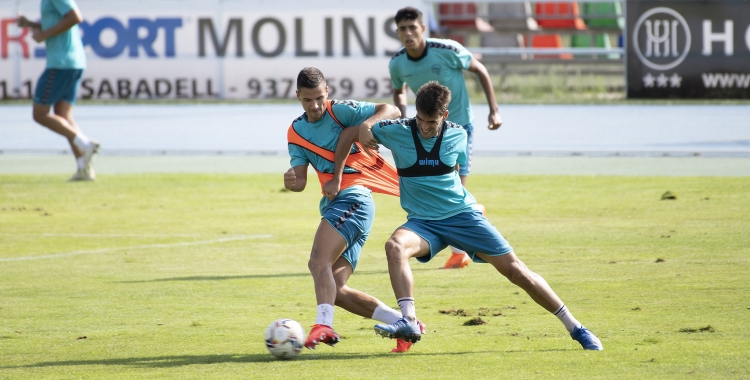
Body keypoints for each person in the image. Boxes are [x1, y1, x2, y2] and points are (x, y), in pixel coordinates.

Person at [333, 81, 603, 350]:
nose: (426, 128)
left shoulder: (458, 135)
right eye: (421, 120)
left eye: (432, 122)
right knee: (394, 246)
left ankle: (576, 328)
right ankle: (409, 320)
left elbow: (456, 173)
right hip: (423, 223)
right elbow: (354, 132)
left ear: (445, 115)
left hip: (463, 217)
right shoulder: (397, 132)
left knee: (518, 273)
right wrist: (365, 131)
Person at [284, 67, 424, 353]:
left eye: (320, 98)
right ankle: (405, 323)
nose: (316, 106)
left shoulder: (341, 111)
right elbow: (300, 181)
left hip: (355, 198)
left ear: (328, 93)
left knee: (316, 261)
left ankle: (323, 324)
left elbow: (393, 109)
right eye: (308, 100)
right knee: (336, 288)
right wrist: (291, 180)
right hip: (339, 205)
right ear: (297, 96)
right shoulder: (296, 133)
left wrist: (368, 124)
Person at [388, 6, 502, 269]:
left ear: (423, 29)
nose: (408, 33)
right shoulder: (397, 63)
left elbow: (480, 70)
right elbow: (399, 91)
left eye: (412, 27)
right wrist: (404, 120)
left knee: (454, 187)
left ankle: (461, 249)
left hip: (458, 128)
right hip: (425, 131)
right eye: (402, 29)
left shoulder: (447, 49)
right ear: (397, 32)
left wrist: (494, 110)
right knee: (440, 189)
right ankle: (467, 231)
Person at [17, 0, 99, 181]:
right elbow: (58, 21)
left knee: (40, 114)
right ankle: (83, 168)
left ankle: (85, 144)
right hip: (74, 62)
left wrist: (44, 34)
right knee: (63, 115)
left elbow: (75, 17)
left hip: (60, 63)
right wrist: (30, 24)